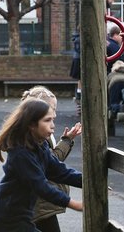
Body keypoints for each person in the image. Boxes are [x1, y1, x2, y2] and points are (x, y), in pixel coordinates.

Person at [0, 97, 83, 232]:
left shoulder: (40, 145)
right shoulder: (20, 153)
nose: (53, 125)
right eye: (47, 120)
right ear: (31, 124)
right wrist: (74, 204)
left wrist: (89, 182)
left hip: (22, 217)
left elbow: (59, 172)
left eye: (53, 120)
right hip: (7, 220)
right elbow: (40, 185)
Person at [23, 87, 82, 232]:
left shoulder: (39, 139)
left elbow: (56, 168)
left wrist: (89, 181)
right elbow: (43, 180)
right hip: (35, 205)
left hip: (36, 205)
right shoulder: (26, 146)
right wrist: (73, 203)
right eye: (49, 116)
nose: (54, 117)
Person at [68, 29, 81, 116]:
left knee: (80, 79)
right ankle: (79, 95)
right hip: (79, 60)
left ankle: (79, 94)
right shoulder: (79, 40)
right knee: (80, 79)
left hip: (77, 60)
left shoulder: (77, 39)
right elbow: (80, 51)